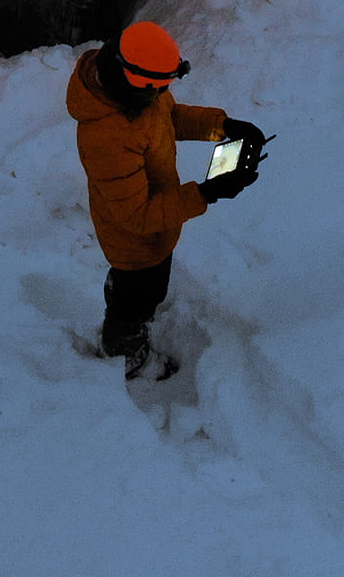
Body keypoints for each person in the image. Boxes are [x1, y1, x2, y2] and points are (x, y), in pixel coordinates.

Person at [66, 20, 265, 380]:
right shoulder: (107, 137)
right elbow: (138, 216)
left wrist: (223, 126)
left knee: (140, 291)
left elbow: (170, 116)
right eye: (161, 86)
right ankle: (126, 352)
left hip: (157, 225)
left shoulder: (135, 90)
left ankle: (121, 300)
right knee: (140, 297)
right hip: (136, 243)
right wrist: (206, 192)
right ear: (138, 82)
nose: (165, 93)